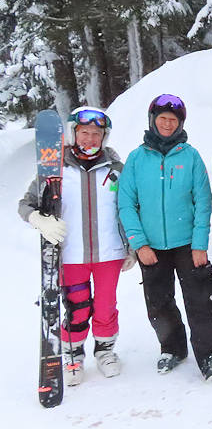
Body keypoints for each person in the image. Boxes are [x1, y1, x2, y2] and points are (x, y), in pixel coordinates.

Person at [118, 94, 212, 381]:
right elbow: (126, 203)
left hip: (187, 245)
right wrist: (139, 244)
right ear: (152, 121)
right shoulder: (136, 158)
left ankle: (211, 355)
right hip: (151, 246)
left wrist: (199, 244)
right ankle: (172, 348)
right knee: (158, 302)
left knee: (199, 300)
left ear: (180, 123)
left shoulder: (190, 156)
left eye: (173, 119)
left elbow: (203, 202)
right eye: (163, 118)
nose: (168, 123)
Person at [19, 107, 134, 386]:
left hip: (109, 253)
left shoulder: (117, 169)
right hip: (71, 255)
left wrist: (130, 246)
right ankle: (73, 354)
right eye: (85, 132)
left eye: (97, 133)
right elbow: (26, 204)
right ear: (74, 133)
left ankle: (105, 350)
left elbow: (130, 208)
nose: (91, 138)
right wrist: (38, 219)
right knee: (76, 307)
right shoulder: (55, 169)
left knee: (106, 305)